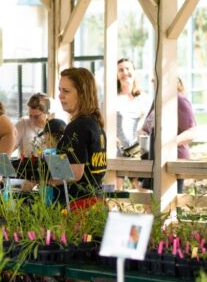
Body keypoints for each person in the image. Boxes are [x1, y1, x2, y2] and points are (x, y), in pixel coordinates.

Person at [139, 77, 201, 192]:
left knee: (169, 205)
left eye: (156, 78)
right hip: (153, 159)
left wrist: (169, 143)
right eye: (153, 79)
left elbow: (193, 132)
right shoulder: (157, 100)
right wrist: (143, 133)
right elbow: (147, 126)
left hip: (173, 159)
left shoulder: (179, 99)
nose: (153, 82)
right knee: (151, 202)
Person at [57, 67, 107, 202]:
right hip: (94, 202)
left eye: (66, 91)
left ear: (82, 94)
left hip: (77, 206)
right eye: (60, 90)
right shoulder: (95, 124)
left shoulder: (78, 127)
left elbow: (74, 173)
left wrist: (43, 179)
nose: (60, 95)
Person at [116, 58, 149, 153]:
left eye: (128, 69)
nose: (125, 72)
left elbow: (149, 124)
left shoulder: (144, 98)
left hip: (139, 152)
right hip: (115, 153)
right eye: (121, 70)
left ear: (134, 72)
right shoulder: (109, 99)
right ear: (117, 75)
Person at [14, 93, 51, 158]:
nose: (32, 120)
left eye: (36, 117)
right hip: (25, 167)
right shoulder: (23, 123)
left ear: (47, 113)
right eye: (30, 115)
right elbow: (11, 145)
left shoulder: (54, 127)